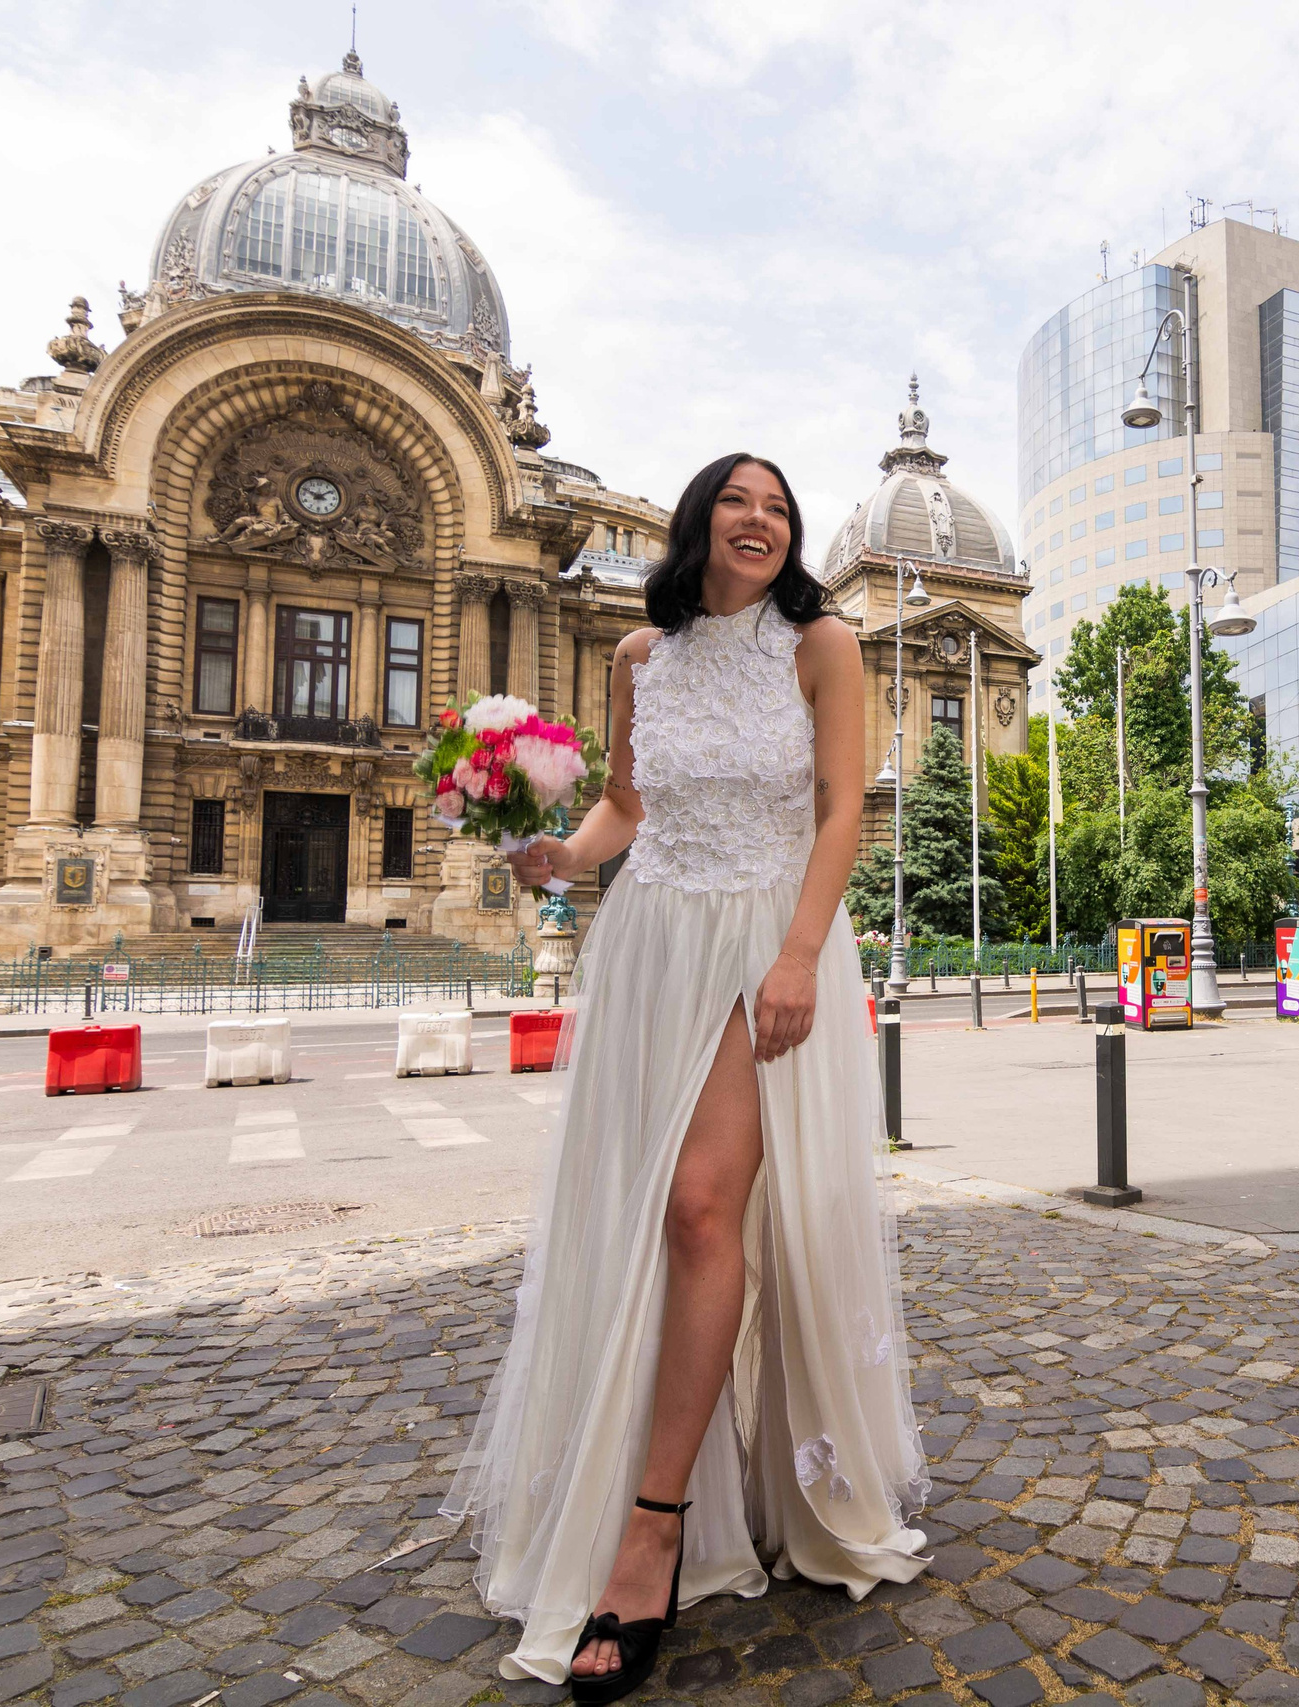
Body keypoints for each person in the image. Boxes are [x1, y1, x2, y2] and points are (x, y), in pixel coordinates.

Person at [446, 454, 929, 1701]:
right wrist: (556, 853)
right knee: (646, 1221)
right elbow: (626, 806)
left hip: (766, 938)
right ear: (699, 523)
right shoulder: (636, 659)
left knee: (702, 1207)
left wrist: (801, 956)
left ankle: (654, 1524)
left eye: (779, 506)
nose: (760, 520)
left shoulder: (821, 642)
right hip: (653, 942)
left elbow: (840, 814)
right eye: (739, 501)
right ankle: (661, 1487)